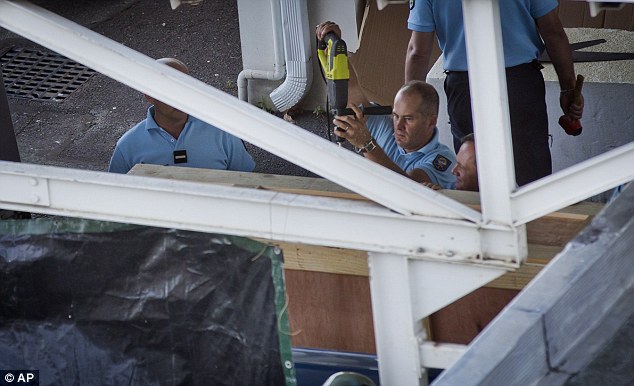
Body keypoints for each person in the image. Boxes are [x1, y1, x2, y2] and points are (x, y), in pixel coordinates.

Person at [405, 0, 584, 186]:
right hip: (520, 85)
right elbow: (553, 32)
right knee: (530, 177)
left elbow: (418, 51)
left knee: (472, 175)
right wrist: (568, 88)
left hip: (466, 89)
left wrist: (408, 111)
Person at [315, 22, 456, 189]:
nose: (399, 126)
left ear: (431, 122)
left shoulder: (442, 160)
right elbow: (351, 90)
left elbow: (409, 189)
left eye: (408, 119)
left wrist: (367, 144)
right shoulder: (387, 129)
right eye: (396, 116)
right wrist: (337, 49)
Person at [108, 58, 255, 174]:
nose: (180, 98)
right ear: (149, 95)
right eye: (170, 90)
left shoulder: (223, 133)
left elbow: (248, 182)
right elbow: (114, 197)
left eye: (185, 87)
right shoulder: (128, 146)